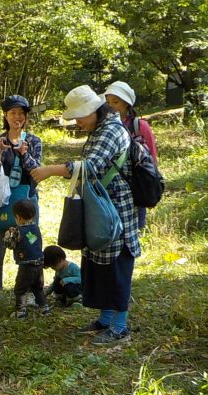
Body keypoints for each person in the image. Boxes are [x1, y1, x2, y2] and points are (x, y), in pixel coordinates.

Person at [31, 85, 140, 345]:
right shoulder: (98, 129)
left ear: (94, 109)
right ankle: (105, 319)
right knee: (99, 263)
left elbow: (91, 166)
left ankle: (120, 327)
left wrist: (52, 170)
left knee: (116, 268)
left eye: (80, 116)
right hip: (100, 210)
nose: (77, 122)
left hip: (115, 212)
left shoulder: (111, 130)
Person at [0, 94, 43, 301]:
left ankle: (32, 293)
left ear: (26, 117)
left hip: (27, 200)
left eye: (21, 113)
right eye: (12, 113)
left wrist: (23, 153)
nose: (17, 117)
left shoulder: (34, 141)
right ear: (5, 116)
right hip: (3, 201)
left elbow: (37, 172)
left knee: (31, 247)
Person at [104, 81, 158, 230]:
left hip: (135, 184)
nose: (111, 106)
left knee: (133, 229)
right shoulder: (103, 126)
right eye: (108, 102)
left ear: (127, 103)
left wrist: (150, 183)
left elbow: (151, 157)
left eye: (115, 102)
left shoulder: (140, 126)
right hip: (111, 185)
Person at [5, 197, 49, 319]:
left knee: (20, 289)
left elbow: (10, 245)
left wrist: (8, 236)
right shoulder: (36, 228)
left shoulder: (18, 231)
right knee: (37, 288)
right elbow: (30, 239)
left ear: (18, 217)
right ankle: (44, 309)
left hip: (26, 266)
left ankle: (21, 312)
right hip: (39, 263)